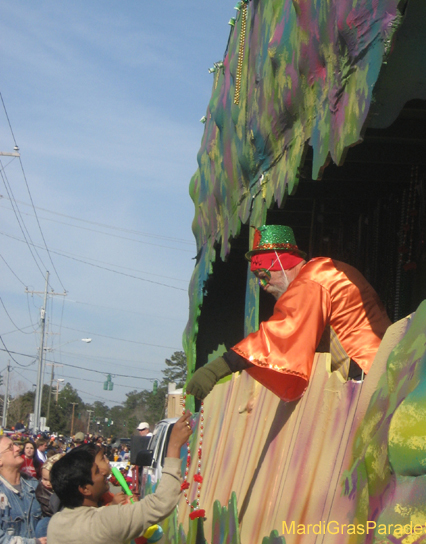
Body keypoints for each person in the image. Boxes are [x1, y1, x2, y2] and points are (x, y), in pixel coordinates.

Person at [186, 225, 391, 403]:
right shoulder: (325, 271)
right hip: (380, 366)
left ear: (281, 263)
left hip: (367, 372)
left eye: (264, 276)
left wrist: (218, 368)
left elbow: (280, 333)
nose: (263, 286)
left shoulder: (312, 280)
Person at [47, 412, 193, 544]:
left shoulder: (55, 524)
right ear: (84, 489)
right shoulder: (105, 521)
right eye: (97, 471)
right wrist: (173, 446)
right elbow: (161, 503)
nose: (103, 473)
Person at [0, 435, 44, 544]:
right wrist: (35, 542)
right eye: (10, 447)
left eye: (15, 444)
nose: (18, 448)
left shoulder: (34, 485)